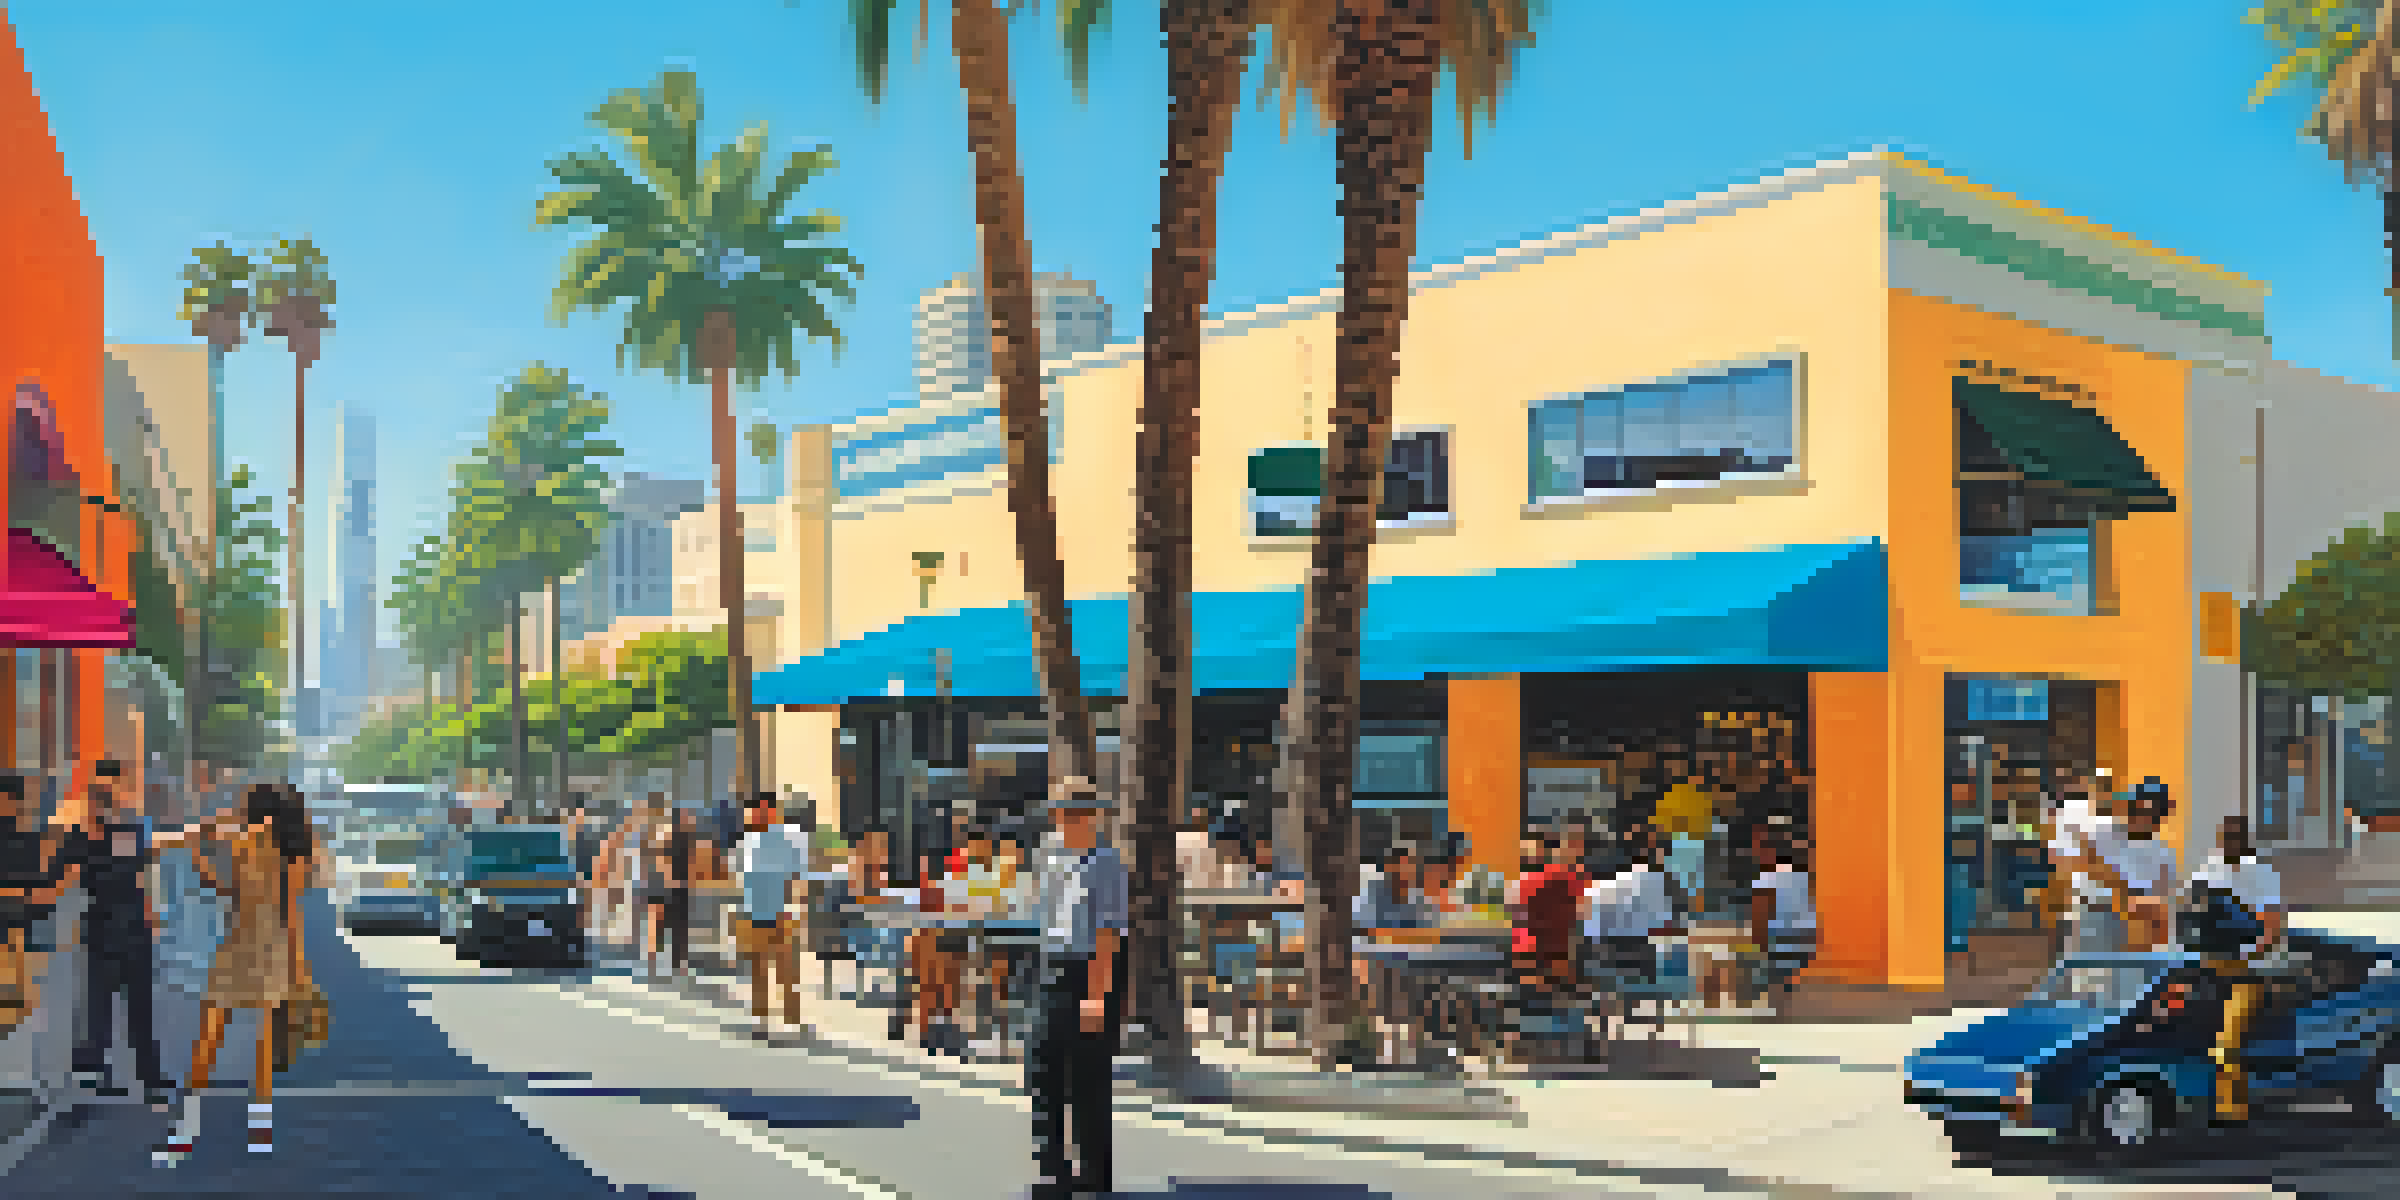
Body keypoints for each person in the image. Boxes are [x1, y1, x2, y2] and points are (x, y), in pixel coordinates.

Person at [157, 782, 316, 1164]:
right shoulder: (289, 856)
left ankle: (186, 1130)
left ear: (258, 812)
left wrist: (198, 848)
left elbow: (224, 888)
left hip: (238, 948)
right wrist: (298, 969)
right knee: (261, 1046)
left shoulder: (240, 843)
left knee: (208, 1042)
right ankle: (259, 1131)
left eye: (245, 807)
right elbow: (290, 917)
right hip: (267, 950)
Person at [1026, 777, 1127, 1200]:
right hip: (1052, 967)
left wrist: (1096, 995)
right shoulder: (1049, 857)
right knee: (1042, 1066)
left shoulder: (1106, 863)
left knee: (1088, 1076)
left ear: (1091, 817)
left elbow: (1109, 934)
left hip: (1090, 971)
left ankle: (1094, 1172)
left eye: (1070, 812)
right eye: (1058, 812)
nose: (1062, 820)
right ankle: (1052, 1166)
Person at [62, 759, 172, 1105]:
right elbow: (128, 875)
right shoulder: (114, 832)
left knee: (113, 1003)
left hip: (113, 923)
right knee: (119, 1004)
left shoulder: (95, 834)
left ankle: (121, 1075)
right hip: (119, 924)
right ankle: (132, 1077)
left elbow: (130, 875)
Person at [2188, 815, 2285, 1124]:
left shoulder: (2263, 874)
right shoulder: (2207, 872)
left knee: (2227, 1041)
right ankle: (2203, 1106)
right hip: (2208, 967)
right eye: (2226, 837)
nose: (2230, 843)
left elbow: (2272, 930)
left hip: (2248, 971)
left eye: (2237, 837)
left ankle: (2231, 1112)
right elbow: (2193, 920)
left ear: (2246, 841)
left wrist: (2245, 951)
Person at [734, 791, 811, 1039]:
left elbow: (801, 878)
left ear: (770, 809)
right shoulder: (747, 841)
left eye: (756, 810)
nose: (751, 816)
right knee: (758, 970)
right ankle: (760, 1019)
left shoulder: (793, 837)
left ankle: (791, 1021)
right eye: (750, 812)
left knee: (787, 970)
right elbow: (741, 880)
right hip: (752, 913)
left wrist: (795, 910)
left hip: (783, 913)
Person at [0, 772, 66, 1027]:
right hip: (18, 905)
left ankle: (20, 993)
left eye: (9, 801)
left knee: (18, 929)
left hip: (22, 907)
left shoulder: (29, 841)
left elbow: (40, 885)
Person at [1746, 827, 1818, 1017]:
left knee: (1776, 983)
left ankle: (1780, 1014)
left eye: (1758, 848)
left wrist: (1758, 943)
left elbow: (1760, 915)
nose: (1755, 853)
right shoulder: (1799, 874)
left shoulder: (1767, 877)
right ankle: (1789, 1010)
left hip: (1783, 939)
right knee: (1787, 982)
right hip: (1805, 937)